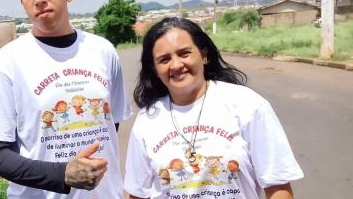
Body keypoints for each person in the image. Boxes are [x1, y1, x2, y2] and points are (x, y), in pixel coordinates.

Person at [0, 0, 132, 198]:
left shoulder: (103, 51)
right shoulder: (8, 62)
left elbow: (109, 126)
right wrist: (62, 174)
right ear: (22, 2)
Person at [124, 17, 303, 199]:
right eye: (164, 59)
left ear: (204, 55)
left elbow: (277, 187)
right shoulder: (147, 120)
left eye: (184, 53)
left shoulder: (247, 105)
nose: (176, 65)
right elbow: (137, 194)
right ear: (154, 69)